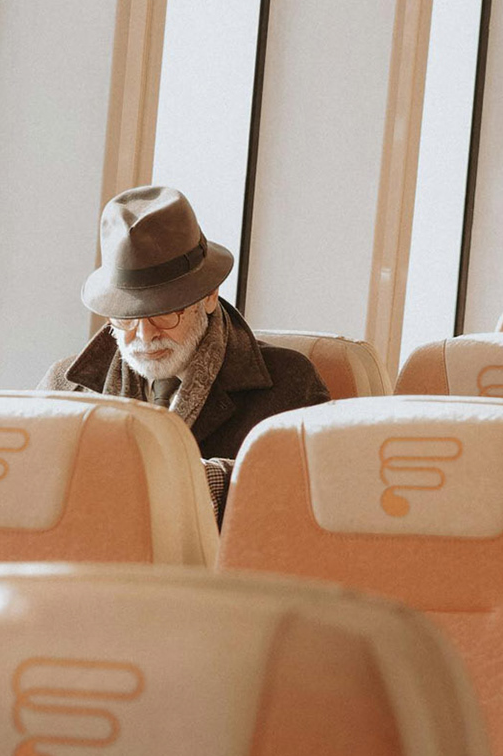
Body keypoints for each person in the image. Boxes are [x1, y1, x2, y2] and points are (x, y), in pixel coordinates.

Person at [41, 185, 328, 519]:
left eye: (164, 313)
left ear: (209, 296)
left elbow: (314, 506)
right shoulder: (63, 389)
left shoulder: (290, 387)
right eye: (126, 317)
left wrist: (208, 482)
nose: (145, 335)